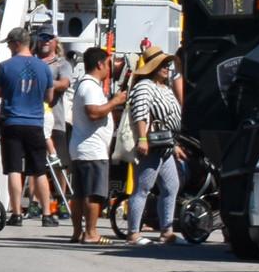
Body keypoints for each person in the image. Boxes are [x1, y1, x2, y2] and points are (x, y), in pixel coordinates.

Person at [0, 26, 56, 227]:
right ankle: (46, 214)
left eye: (10, 43)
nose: (9, 47)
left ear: (16, 44)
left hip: (11, 123)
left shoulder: (5, 67)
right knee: (39, 170)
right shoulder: (44, 67)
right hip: (35, 123)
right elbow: (50, 97)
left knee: (14, 169)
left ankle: (17, 213)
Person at [126, 44, 184, 246]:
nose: (167, 68)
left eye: (168, 64)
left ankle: (166, 231)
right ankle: (133, 233)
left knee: (171, 186)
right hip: (152, 144)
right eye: (163, 65)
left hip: (165, 145)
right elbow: (140, 113)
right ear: (153, 67)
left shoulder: (165, 88)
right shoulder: (145, 86)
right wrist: (142, 138)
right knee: (143, 187)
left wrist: (174, 144)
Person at [70, 46, 127, 244]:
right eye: (108, 65)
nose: (108, 69)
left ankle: (78, 232)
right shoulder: (91, 86)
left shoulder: (84, 85)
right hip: (92, 149)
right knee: (93, 193)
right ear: (100, 64)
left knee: (79, 193)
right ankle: (91, 232)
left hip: (82, 147)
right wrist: (115, 101)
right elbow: (93, 112)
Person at [36, 30, 73, 215]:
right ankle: (35, 202)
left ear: (55, 41)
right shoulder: (32, 60)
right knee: (36, 163)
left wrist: (41, 82)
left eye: (48, 37)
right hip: (33, 120)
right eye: (41, 36)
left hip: (55, 121)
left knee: (60, 163)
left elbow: (65, 83)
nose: (44, 40)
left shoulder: (62, 63)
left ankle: (61, 200)